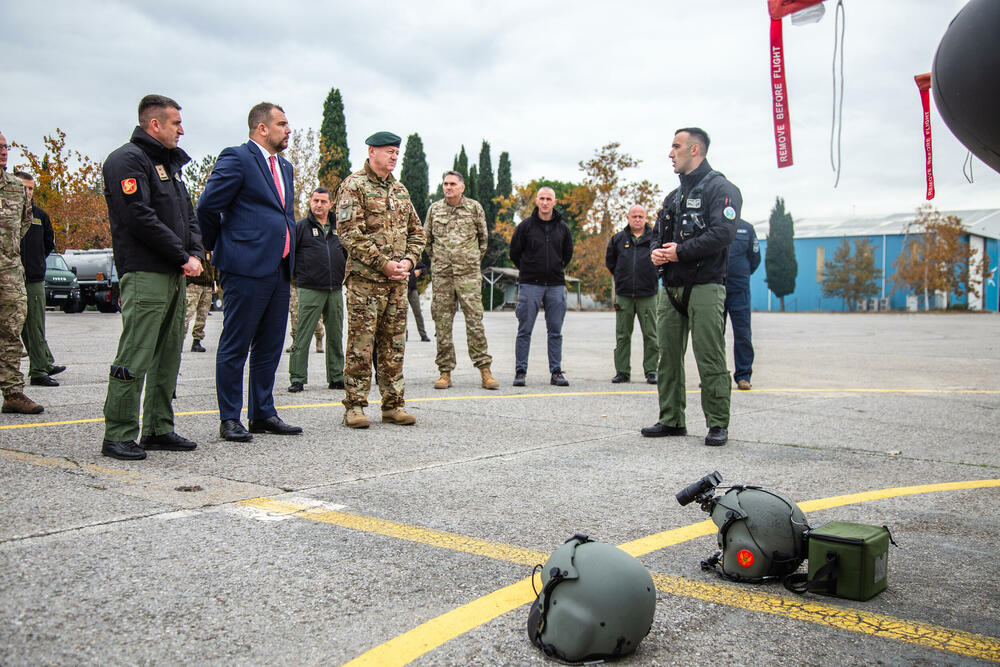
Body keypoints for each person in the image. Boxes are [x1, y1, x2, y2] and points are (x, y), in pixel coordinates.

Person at [99, 95, 205, 459]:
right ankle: (118, 432)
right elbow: (138, 216)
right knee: (137, 352)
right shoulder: (126, 160)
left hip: (174, 274)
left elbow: (188, 217)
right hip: (146, 272)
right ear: (154, 124)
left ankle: (159, 427)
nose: (182, 129)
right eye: (176, 123)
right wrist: (181, 255)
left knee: (167, 355)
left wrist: (195, 253)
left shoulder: (169, 166)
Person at [197, 102, 302, 442]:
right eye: (282, 124)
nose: (288, 130)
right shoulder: (238, 157)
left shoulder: (284, 167)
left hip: (279, 267)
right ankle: (230, 417)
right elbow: (208, 205)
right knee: (236, 344)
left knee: (270, 345)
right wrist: (214, 247)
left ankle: (263, 413)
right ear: (262, 128)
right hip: (244, 266)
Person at [642, 127, 741, 447]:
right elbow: (658, 232)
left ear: (695, 150)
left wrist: (680, 252)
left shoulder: (722, 189)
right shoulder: (674, 197)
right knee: (667, 357)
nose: (670, 154)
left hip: (706, 285)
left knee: (709, 355)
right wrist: (657, 251)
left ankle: (717, 423)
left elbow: (722, 233)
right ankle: (671, 418)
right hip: (670, 287)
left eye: (676, 147)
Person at [336, 131, 424, 428]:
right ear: (372, 151)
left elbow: (417, 232)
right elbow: (349, 234)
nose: (394, 157)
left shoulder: (400, 190)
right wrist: (383, 264)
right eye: (389, 151)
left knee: (393, 345)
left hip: (397, 283)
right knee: (361, 345)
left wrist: (409, 262)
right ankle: (355, 406)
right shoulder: (354, 185)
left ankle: (393, 405)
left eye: (397, 153)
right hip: (365, 282)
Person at [424, 171, 499, 390]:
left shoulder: (474, 208)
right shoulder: (434, 209)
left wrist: (469, 259)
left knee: (475, 322)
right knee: (443, 324)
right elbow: (427, 241)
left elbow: (483, 241)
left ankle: (485, 370)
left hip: (468, 276)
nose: (448, 187)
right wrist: (440, 259)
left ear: (462, 187)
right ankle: (444, 372)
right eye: (445, 183)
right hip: (443, 276)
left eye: (453, 184)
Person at [509, 187, 573, 387]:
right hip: (530, 285)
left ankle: (556, 372)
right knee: (524, 330)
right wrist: (530, 270)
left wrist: (553, 269)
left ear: (554, 202)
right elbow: (514, 253)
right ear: (536, 201)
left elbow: (567, 254)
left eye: (549, 199)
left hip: (555, 286)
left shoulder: (563, 228)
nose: (545, 202)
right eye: (542, 198)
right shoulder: (525, 227)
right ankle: (521, 371)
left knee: (555, 331)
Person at [0, 132, 44, 415]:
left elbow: (24, 224)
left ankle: (13, 393)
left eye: (4, 147)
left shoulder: (16, 187)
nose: (3, 151)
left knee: (11, 332)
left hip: (9, 272)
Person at [288, 187, 346, 393]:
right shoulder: (300, 227)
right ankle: (297, 377)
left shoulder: (339, 228)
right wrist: (297, 279)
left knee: (335, 334)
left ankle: (337, 376)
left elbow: (347, 254)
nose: (319, 205)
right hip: (310, 288)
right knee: (302, 334)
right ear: (310, 202)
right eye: (315, 201)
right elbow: (289, 257)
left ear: (331, 204)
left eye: (323, 201)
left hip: (335, 289)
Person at [16, 171, 66, 386]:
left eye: (31, 188)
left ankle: (39, 369)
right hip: (10, 277)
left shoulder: (40, 216)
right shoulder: (7, 212)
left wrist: (34, 263)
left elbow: (48, 244)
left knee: (35, 325)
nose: (28, 192)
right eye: (24, 188)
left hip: (33, 278)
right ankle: (43, 363)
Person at [605, 204, 659, 385]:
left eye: (640, 216)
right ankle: (622, 371)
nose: (637, 219)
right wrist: (622, 277)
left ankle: (652, 371)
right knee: (622, 334)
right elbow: (610, 262)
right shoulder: (618, 240)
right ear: (627, 218)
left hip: (648, 294)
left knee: (651, 334)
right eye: (634, 216)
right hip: (624, 295)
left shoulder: (654, 239)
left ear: (645, 218)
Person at [726, 218, 761, 390]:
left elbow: (755, 258)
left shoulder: (747, 228)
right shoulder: (713, 225)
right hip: (715, 286)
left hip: (739, 289)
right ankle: (715, 375)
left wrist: (743, 273)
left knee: (743, 334)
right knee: (713, 335)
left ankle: (743, 376)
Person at [184, 250, 215, 352]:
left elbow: (213, 266)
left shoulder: (209, 247)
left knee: (203, 315)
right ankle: (178, 340)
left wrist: (215, 282)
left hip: (207, 284)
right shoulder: (194, 246)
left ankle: (197, 341)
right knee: (187, 313)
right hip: (194, 283)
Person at [286, 278, 325, 353]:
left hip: (312, 281)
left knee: (315, 312)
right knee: (295, 312)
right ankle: (295, 340)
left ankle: (319, 338)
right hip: (295, 281)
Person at [406, 260, 430, 342]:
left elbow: (426, 269)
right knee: (401, 313)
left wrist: (419, 271)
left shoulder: (412, 258)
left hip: (412, 289)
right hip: (400, 288)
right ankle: (404, 334)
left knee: (418, 312)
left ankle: (423, 334)